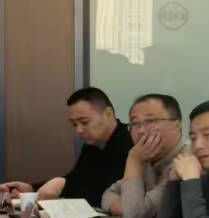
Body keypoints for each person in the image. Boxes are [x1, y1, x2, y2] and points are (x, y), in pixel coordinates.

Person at [3, 87, 133, 205]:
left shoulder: (129, 143)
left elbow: (108, 194)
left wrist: (62, 185)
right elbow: (75, 180)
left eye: (84, 122)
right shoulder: (91, 144)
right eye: (74, 124)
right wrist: (31, 189)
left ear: (108, 114)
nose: (79, 130)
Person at [102, 93, 187, 218]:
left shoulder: (187, 160)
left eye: (150, 121)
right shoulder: (146, 158)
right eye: (135, 123)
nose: (141, 130)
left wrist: (134, 161)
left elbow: (135, 214)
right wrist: (126, 208)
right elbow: (108, 194)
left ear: (177, 125)